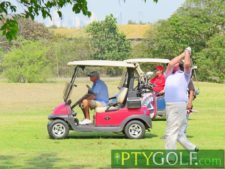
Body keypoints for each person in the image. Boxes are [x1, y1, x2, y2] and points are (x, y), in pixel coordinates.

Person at [164, 47, 198, 151]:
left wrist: (187, 53)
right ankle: (192, 148)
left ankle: (170, 157)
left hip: (178, 104)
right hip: (170, 104)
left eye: (177, 63)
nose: (175, 63)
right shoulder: (168, 74)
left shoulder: (185, 75)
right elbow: (170, 63)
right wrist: (184, 53)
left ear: (179, 66)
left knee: (171, 131)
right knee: (178, 133)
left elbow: (187, 65)